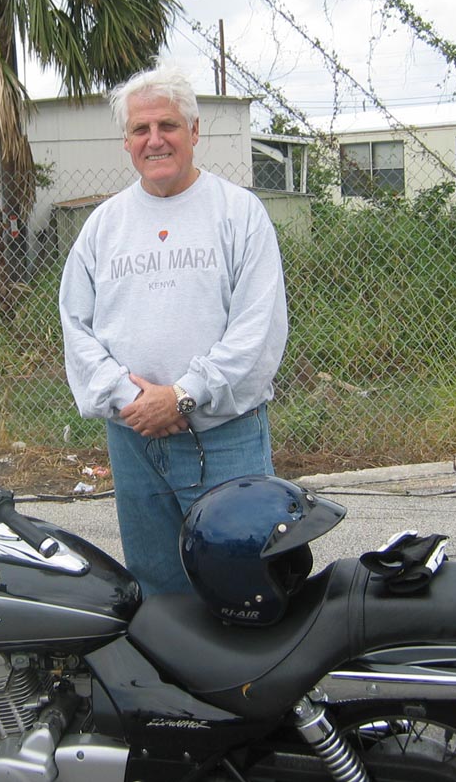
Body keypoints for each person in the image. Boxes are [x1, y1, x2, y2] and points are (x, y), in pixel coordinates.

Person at [59, 63, 288, 596]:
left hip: (225, 439)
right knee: (158, 593)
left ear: (194, 131)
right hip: (134, 441)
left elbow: (257, 332)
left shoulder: (239, 213)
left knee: (243, 587)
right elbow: (76, 324)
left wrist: (182, 395)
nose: (155, 140)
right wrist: (130, 399)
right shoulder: (104, 225)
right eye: (141, 129)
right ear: (126, 141)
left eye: (168, 125)